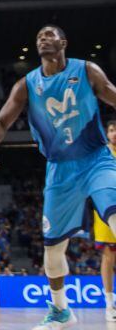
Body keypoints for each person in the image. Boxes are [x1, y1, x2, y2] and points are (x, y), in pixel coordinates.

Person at [0, 25, 116, 329]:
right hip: (60, 169)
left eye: (49, 35)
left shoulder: (87, 71)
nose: (42, 39)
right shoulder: (27, 85)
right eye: (39, 36)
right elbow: (0, 121)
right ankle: (60, 310)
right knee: (52, 249)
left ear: (63, 42)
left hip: (96, 160)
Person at [94, 119, 116, 314]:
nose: (114, 133)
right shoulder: (102, 153)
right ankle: (109, 302)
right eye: (111, 130)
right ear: (107, 133)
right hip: (106, 208)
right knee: (109, 257)